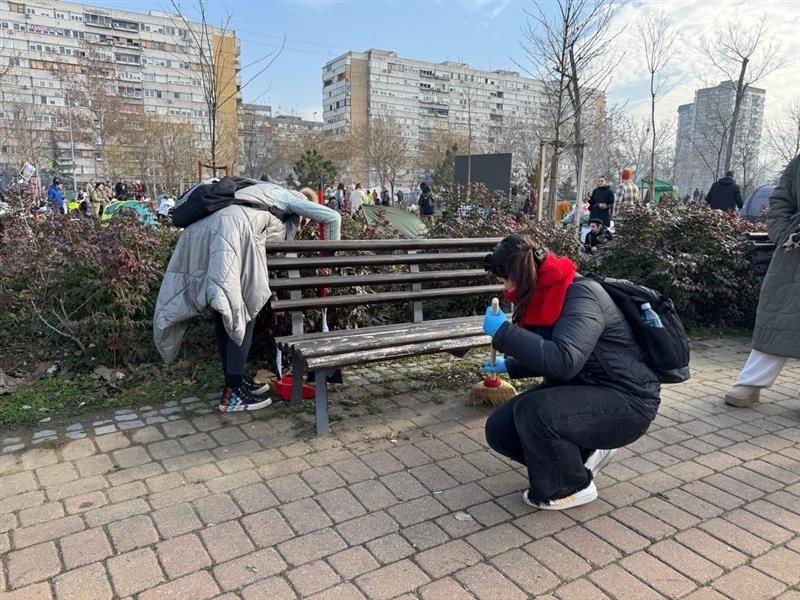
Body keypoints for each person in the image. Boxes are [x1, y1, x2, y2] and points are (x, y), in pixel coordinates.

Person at [481, 234, 660, 510]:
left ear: (519, 274)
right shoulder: (545, 292)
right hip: (586, 387)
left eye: (504, 281)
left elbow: (564, 360)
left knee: (534, 412)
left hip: (627, 399)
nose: (504, 289)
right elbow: (550, 351)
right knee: (500, 429)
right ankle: (581, 457)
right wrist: (509, 366)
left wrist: (504, 333)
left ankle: (571, 486)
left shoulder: (581, 294)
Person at [154, 183, 341, 412]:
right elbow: (333, 218)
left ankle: (234, 381)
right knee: (243, 309)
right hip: (232, 232)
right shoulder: (289, 197)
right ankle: (232, 395)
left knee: (224, 309)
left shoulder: (260, 193)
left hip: (201, 232)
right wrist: (329, 261)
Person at [724, 154, 800, 407]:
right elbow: (781, 200)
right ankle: (751, 382)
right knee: (777, 314)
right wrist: (784, 232)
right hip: (795, 252)